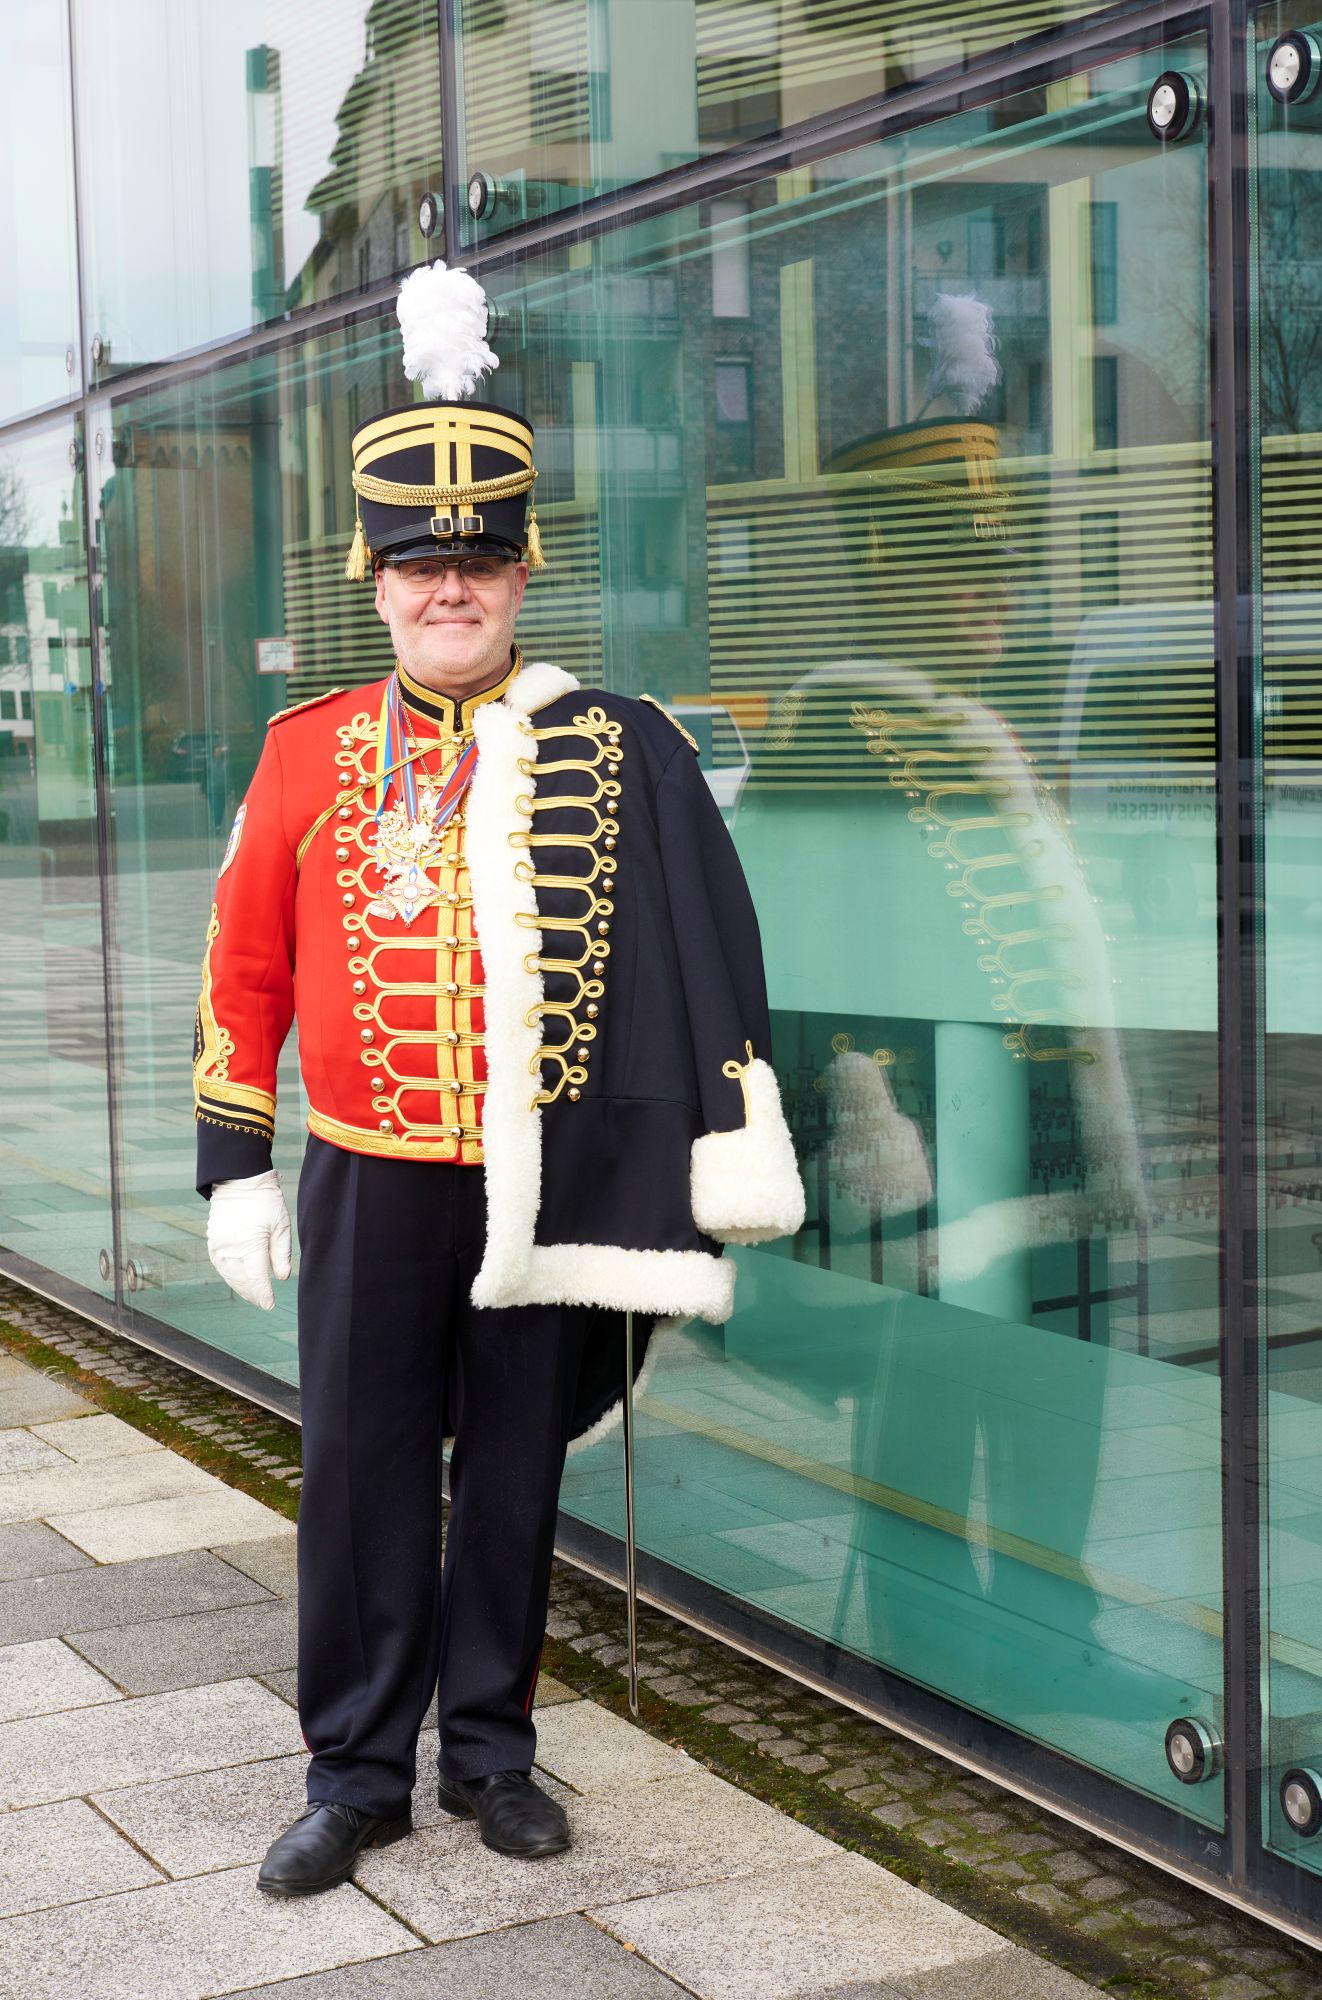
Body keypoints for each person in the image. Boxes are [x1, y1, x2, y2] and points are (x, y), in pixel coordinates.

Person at [192, 264, 804, 1897]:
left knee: (517, 1474)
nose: (445, 588)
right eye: (416, 564)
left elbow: (693, 952)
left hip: (546, 1172)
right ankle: (354, 1769)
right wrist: (232, 1163)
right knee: (362, 1472)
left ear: (522, 568)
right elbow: (243, 970)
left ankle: (495, 1751)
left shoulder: (601, 745)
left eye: (473, 561)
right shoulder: (304, 752)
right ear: (371, 579)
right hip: (374, 1172)